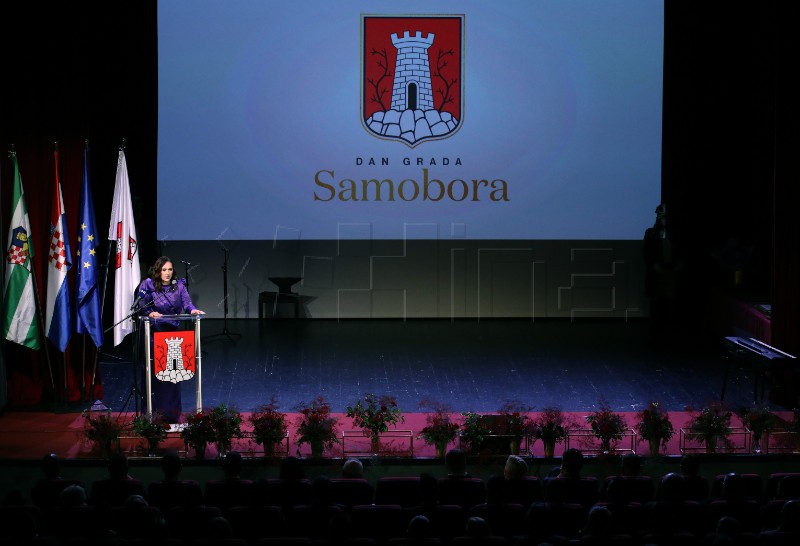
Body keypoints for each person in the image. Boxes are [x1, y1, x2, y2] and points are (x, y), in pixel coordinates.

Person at [137, 256, 204, 422]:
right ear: (158, 271)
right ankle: (152, 414)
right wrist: (149, 313)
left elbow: (187, 304)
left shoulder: (179, 286)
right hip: (154, 335)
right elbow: (141, 304)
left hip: (174, 337)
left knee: (172, 375)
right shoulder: (148, 285)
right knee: (156, 376)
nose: (167, 273)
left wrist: (193, 310)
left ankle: (171, 414)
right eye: (164, 270)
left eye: (170, 270)